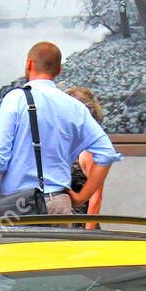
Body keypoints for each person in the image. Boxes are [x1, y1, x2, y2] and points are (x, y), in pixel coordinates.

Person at [0, 41, 119, 217]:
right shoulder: (75, 107)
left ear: (29, 64)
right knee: (54, 246)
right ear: (58, 71)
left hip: (18, 206)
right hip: (59, 203)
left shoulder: (16, 100)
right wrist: (81, 197)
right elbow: (107, 153)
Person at [63, 86, 105, 218]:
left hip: (80, 227)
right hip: (61, 225)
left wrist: (88, 233)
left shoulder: (89, 151)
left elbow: (96, 198)